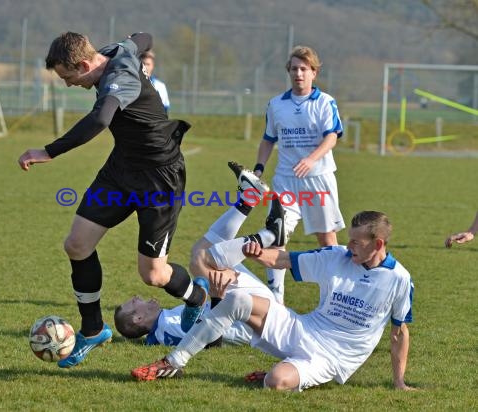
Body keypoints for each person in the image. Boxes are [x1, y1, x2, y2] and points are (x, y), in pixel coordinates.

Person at [17, 32, 207, 368]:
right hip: (121, 171)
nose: (68, 84)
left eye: (68, 77)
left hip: (159, 180)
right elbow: (142, 37)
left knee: (153, 274)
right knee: (76, 244)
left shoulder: (119, 78)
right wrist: (137, 44)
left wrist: (48, 151)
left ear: (85, 64)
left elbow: (100, 120)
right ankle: (93, 330)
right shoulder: (115, 51)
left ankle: (196, 297)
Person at [132, 207, 415, 393]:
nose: (349, 246)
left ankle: (276, 372)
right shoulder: (337, 256)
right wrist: (255, 252)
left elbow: (399, 332)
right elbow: (284, 260)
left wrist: (399, 382)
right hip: (304, 328)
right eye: (349, 239)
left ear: (378, 244)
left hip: (332, 357)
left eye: (357, 242)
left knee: (277, 383)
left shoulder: (399, 279)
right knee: (239, 300)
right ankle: (174, 362)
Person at [115, 171, 275, 346]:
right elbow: (211, 339)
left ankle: (251, 200)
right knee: (199, 261)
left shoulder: (163, 326)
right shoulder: (167, 327)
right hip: (251, 319)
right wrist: (216, 299)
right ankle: (270, 233)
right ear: (138, 318)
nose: (137, 297)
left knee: (206, 253)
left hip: (250, 310)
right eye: (134, 302)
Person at [251, 45, 345, 305]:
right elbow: (268, 139)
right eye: (294, 69)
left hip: (319, 179)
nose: (298, 73)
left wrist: (311, 159)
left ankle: (332, 299)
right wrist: (259, 168)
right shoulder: (276, 105)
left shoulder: (325, 102)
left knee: (327, 242)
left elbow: (332, 137)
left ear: (314, 72)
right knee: (276, 233)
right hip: (285, 181)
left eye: (304, 69)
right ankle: (276, 300)